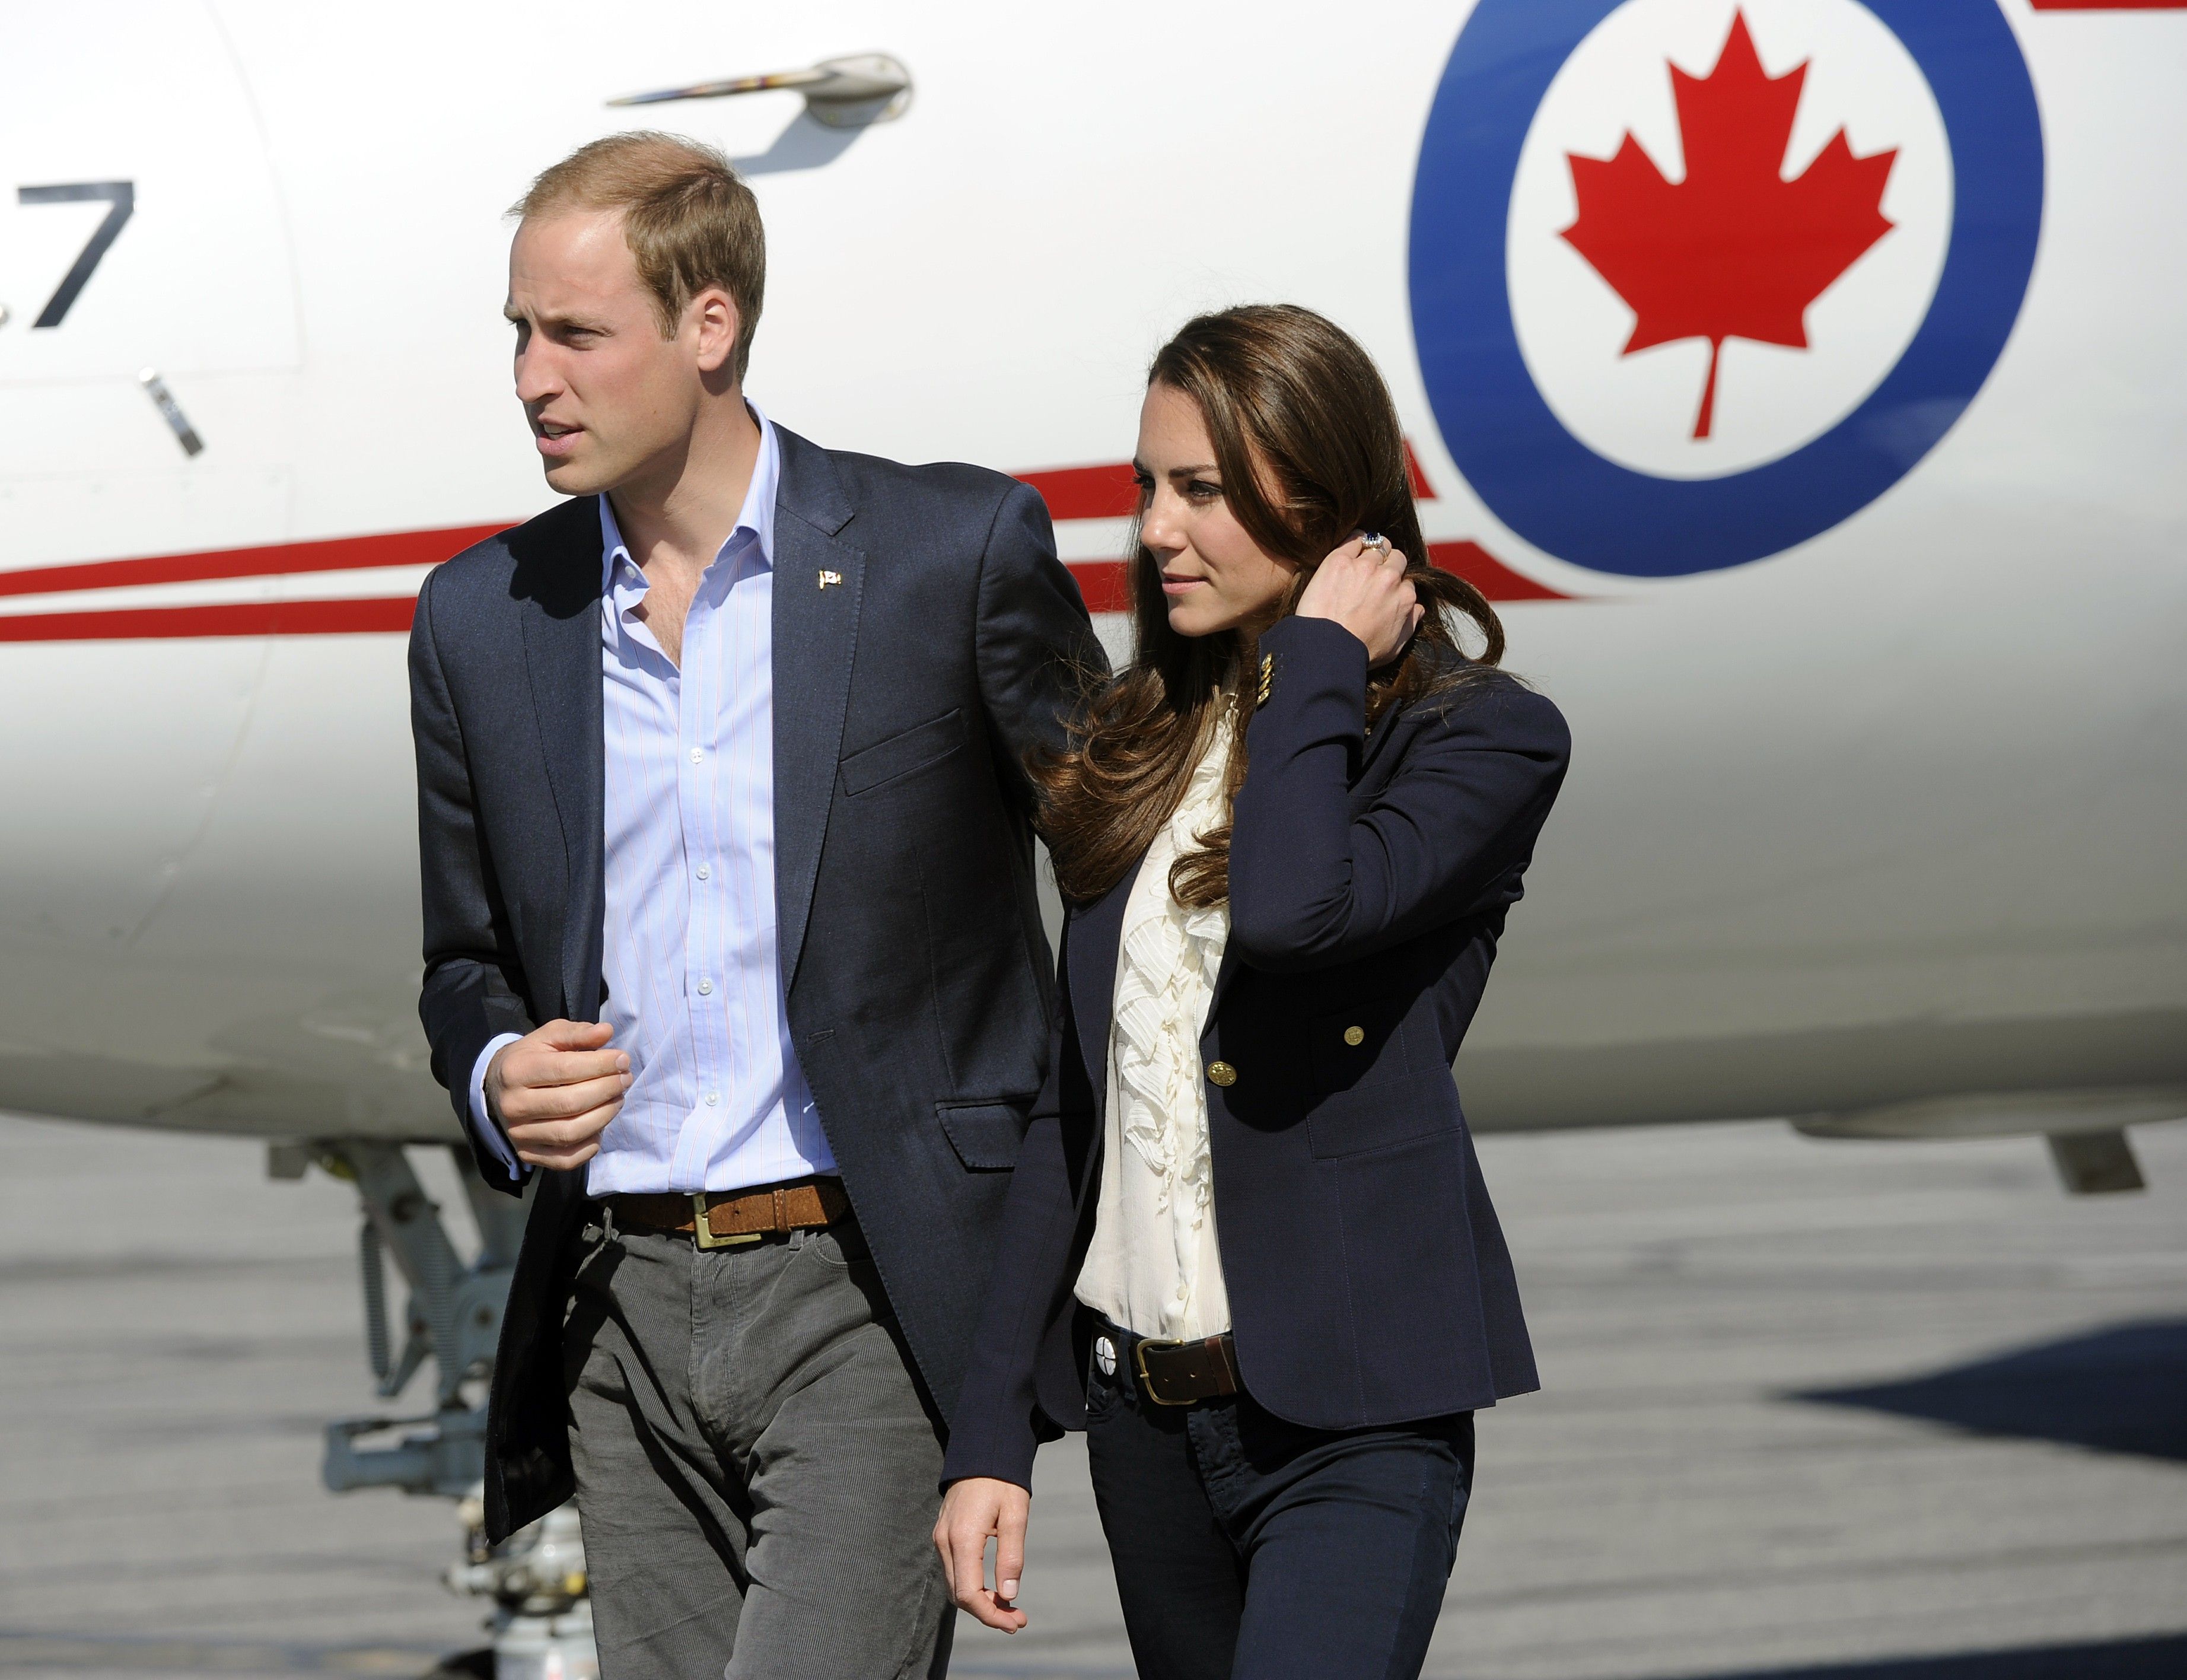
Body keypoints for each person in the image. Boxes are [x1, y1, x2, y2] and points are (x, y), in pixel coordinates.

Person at [409, 132, 1100, 1680]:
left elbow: (1117, 866)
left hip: (869, 1288)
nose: (531, 377)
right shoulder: (476, 620)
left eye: (576, 334)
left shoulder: (946, 557)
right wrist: (497, 1069)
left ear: (708, 325)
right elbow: (465, 960)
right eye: (519, 333)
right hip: (616, 1311)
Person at [935, 304, 1570, 1679]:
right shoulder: (1132, 745)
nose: (1153, 529)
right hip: (1144, 1429)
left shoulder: (1479, 742)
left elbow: (1292, 912)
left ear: (1327, 507)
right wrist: (990, 1436)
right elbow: (1074, 1112)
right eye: (1146, 486)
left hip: (1351, 1422)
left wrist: (1317, 659)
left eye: (1201, 491)